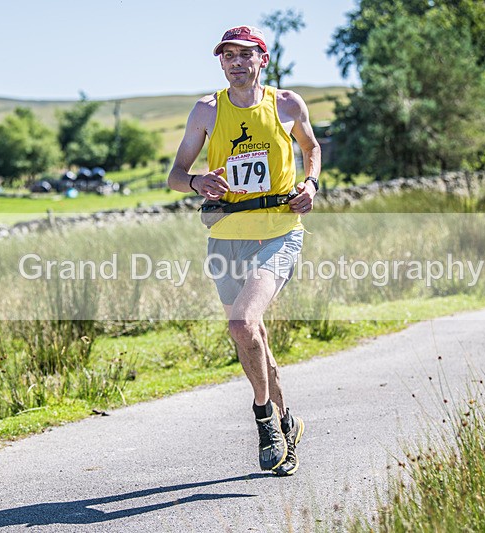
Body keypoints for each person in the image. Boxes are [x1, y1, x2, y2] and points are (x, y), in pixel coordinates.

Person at [167, 25, 321, 476]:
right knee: (250, 335)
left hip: (279, 230)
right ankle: (287, 421)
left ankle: (263, 418)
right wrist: (197, 182)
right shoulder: (207, 110)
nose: (236, 62)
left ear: (262, 60)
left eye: (245, 54)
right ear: (221, 62)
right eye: (228, 55)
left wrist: (311, 184)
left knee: (241, 321)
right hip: (225, 234)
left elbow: (311, 147)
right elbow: (176, 175)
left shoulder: (286, 104)